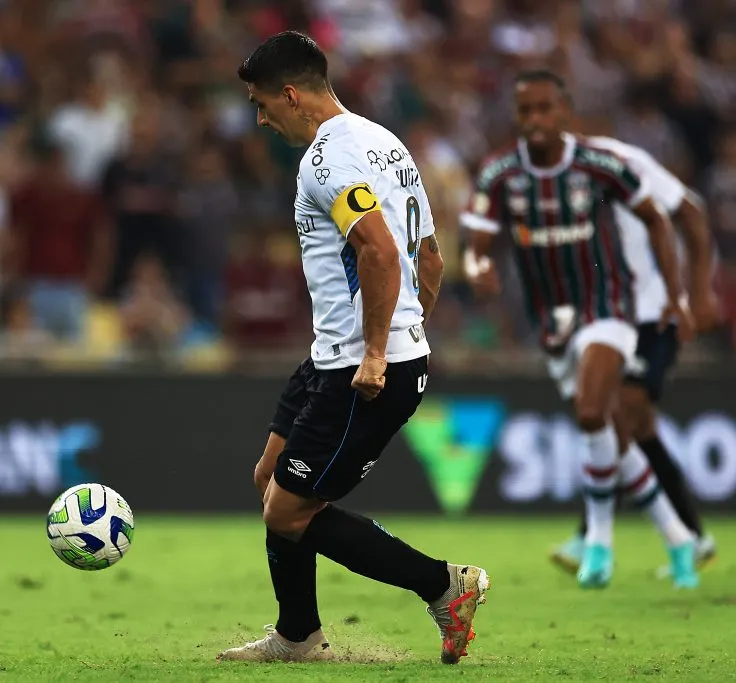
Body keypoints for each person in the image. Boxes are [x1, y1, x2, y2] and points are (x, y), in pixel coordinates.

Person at [218, 31, 490, 666]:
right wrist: (414, 325)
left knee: (287, 511)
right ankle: (297, 636)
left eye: (262, 104)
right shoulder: (387, 144)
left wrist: (379, 350)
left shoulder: (327, 160)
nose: (260, 118)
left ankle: (444, 586)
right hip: (333, 353)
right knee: (271, 482)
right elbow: (429, 253)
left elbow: (380, 249)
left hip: (362, 363)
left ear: (291, 94)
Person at [460, 70, 698, 590]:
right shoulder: (499, 174)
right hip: (553, 318)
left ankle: (599, 545)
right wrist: (479, 269)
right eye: (527, 111)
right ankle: (678, 537)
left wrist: (677, 293)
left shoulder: (601, 165)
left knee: (592, 412)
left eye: (546, 109)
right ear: (517, 117)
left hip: (609, 303)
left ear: (565, 112)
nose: (537, 120)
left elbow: (658, 220)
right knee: (610, 429)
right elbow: (475, 245)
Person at [548, 131, 718, 579]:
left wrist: (697, 293)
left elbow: (691, 213)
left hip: (651, 310)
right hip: (601, 311)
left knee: (626, 410)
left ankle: (597, 534)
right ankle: (688, 535)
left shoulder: (621, 159)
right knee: (628, 421)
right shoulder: (543, 181)